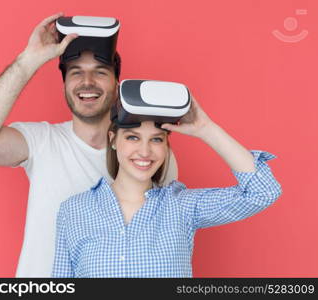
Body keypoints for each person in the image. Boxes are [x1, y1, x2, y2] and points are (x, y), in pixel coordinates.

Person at [0, 12, 179, 277]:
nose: (87, 82)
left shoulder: (146, 155)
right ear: (64, 84)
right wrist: (30, 59)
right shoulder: (41, 141)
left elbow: (161, 243)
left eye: (100, 72)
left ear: (117, 83)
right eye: (76, 73)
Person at [52, 91, 282, 278]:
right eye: (133, 137)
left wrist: (206, 129)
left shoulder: (182, 206)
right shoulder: (73, 211)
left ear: (166, 146)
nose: (144, 151)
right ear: (113, 140)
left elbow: (263, 191)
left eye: (156, 139)